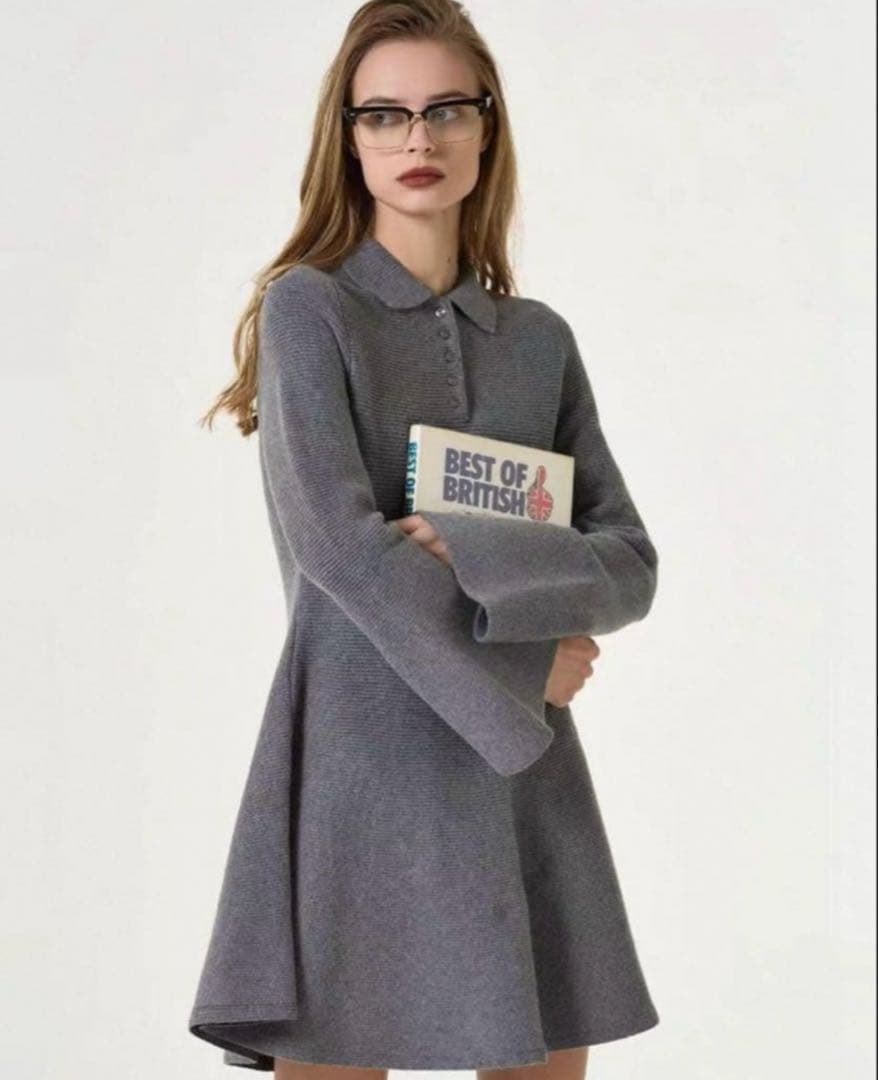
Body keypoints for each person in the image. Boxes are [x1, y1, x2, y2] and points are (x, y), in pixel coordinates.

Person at [189, 3, 660, 1079]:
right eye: (385, 114)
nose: (418, 138)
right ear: (347, 137)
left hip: (519, 773)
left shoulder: (538, 340)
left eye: (447, 109)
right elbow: (339, 546)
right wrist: (524, 656)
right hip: (363, 760)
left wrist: (466, 548)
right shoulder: (309, 311)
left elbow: (629, 561)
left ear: (486, 127)